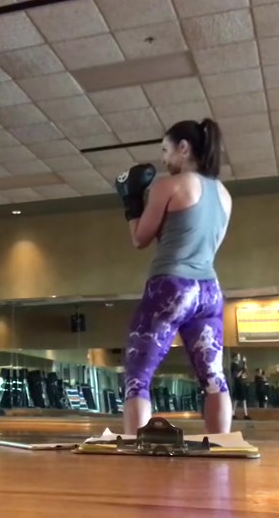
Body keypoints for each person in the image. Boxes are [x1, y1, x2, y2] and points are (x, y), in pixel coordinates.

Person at [115, 118, 233, 435]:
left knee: (138, 377)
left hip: (171, 286)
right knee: (214, 378)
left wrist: (131, 203)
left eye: (166, 151)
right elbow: (187, 239)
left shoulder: (168, 186)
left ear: (183, 148)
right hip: (210, 290)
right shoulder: (224, 194)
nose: (164, 160)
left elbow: (140, 239)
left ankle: (138, 449)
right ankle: (223, 446)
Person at [230, 353, 250, 420]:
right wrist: (242, 370)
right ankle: (245, 414)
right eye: (238, 356)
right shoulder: (234, 365)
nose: (239, 357)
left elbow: (242, 374)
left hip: (240, 383)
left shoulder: (238, 365)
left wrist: (244, 364)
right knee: (241, 399)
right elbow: (236, 375)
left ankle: (234, 413)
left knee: (237, 399)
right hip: (238, 384)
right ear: (235, 357)